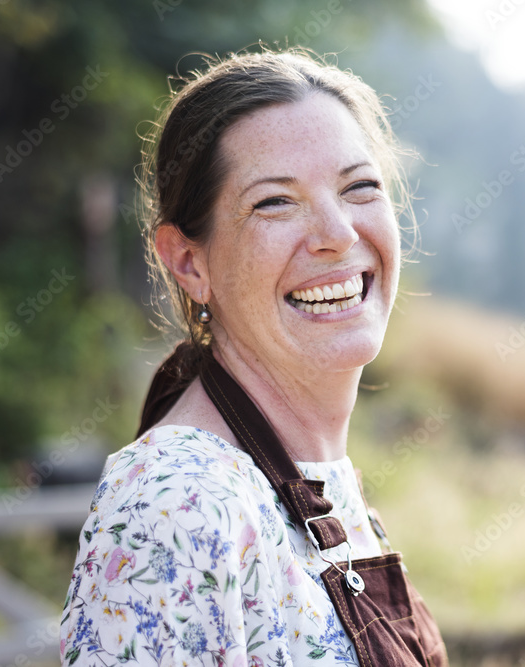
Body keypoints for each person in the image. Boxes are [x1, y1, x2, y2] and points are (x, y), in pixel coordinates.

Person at [59, 47, 447, 666]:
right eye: (275, 202)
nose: (339, 234)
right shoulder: (179, 504)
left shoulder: (317, 480)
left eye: (360, 187)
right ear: (189, 262)